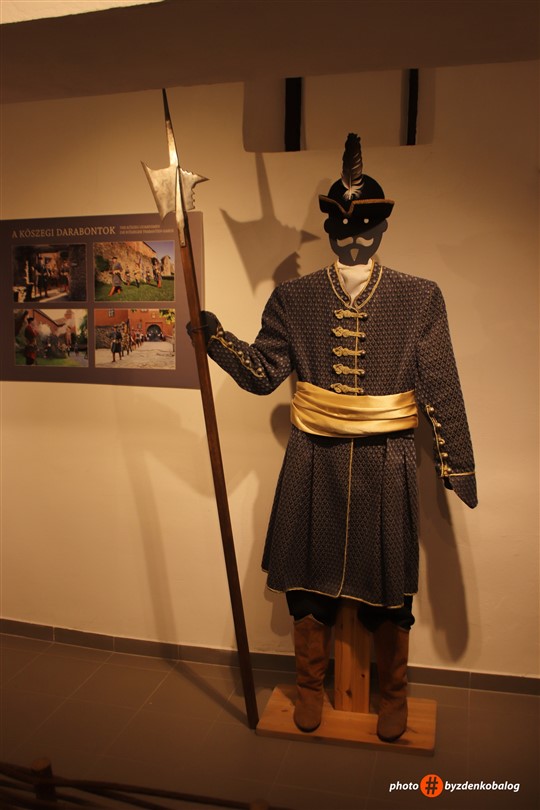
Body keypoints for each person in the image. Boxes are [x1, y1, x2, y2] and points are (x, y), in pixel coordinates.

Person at [190, 134, 477, 742]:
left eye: (365, 228)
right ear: (329, 229)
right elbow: (264, 373)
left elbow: (441, 382)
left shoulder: (419, 297)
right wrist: (215, 337)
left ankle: (392, 694)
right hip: (312, 457)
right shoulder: (294, 299)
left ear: (382, 227)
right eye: (343, 229)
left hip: (387, 458)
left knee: (389, 585)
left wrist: (458, 464)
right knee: (305, 578)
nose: (353, 240)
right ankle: (309, 686)